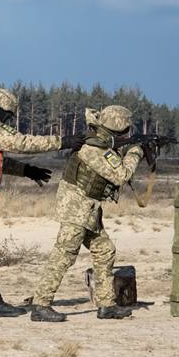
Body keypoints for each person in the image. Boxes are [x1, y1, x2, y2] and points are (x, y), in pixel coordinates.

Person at [0, 87, 83, 320]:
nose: (8, 120)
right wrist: (62, 141)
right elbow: (19, 142)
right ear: (1, 109)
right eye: (8, 115)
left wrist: (27, 170)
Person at [30, 105, 143, 322]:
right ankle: (40, 305)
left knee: (105, 250)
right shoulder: (95, 148)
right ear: (119, 128)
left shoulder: (101, 143)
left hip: (86, 208)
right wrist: (136, 151)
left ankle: (106, 305)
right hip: (77, 208)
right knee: (64, 254)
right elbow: (121, 175)